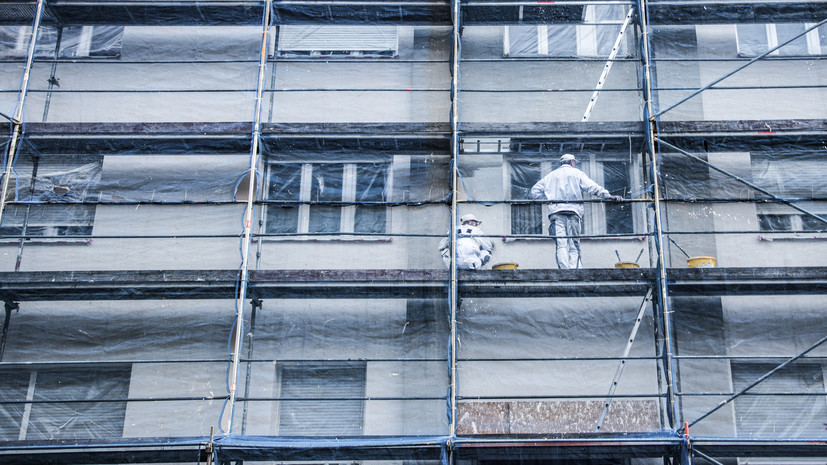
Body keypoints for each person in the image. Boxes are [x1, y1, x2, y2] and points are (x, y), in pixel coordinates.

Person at [531, 153, 623, 269]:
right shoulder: (577, 173)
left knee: (561, 244)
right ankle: (575, 270)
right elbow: (592, 187)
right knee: (574, 244)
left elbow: (534, 191)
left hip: (556, 213)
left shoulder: (550, 176)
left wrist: (549, 200)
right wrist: (608, 196)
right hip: (573, 212)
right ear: (572, 162)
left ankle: (564, 270)